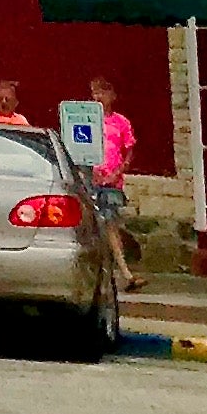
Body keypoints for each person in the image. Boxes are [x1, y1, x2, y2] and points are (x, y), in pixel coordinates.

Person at [87, 75, 141, 288]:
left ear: (112, 95)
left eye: (103, 92)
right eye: (95, 92)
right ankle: (113, 273)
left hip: (111, 182)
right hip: (91, 180)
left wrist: (116, 173)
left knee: (110, 224)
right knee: (95, 228)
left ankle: (124, 273)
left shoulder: (121, 122)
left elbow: (129, 153)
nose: (98, 97)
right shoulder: (87, 120)